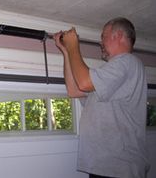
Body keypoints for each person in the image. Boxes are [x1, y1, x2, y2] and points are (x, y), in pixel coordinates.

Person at [53, 17, 150, 178]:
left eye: (103, 36)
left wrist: (74, 45)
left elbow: (84, 83)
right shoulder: (112, 75)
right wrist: (66, 51)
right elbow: (74, 90)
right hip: (106, 166)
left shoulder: (128, 62)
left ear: (118, 36)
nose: (100, 42)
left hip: (120, 167)